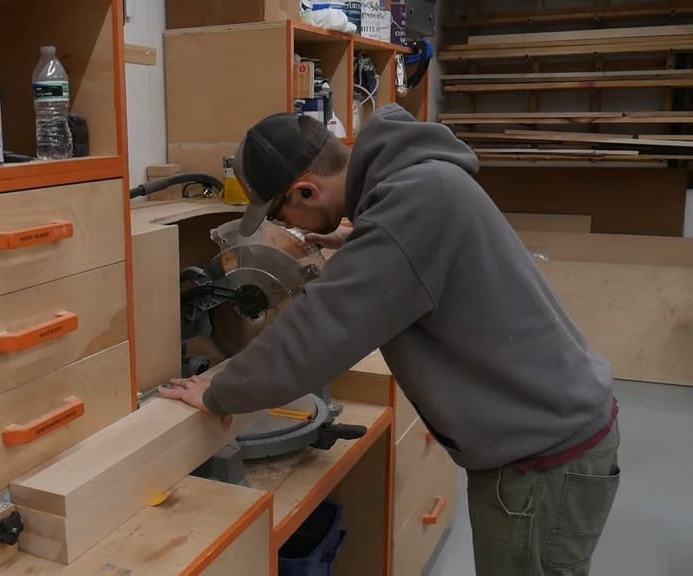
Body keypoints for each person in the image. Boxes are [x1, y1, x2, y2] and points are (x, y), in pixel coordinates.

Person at [159, 104, 620, 576]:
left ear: (306, 190)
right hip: (552, 428)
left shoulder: (411, 208)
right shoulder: (417, 180)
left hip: (543, 458)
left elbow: (320, 331)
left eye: (284, 214)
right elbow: (408, 246)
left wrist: (219, 391)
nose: (291, 228)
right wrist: (361, 239)